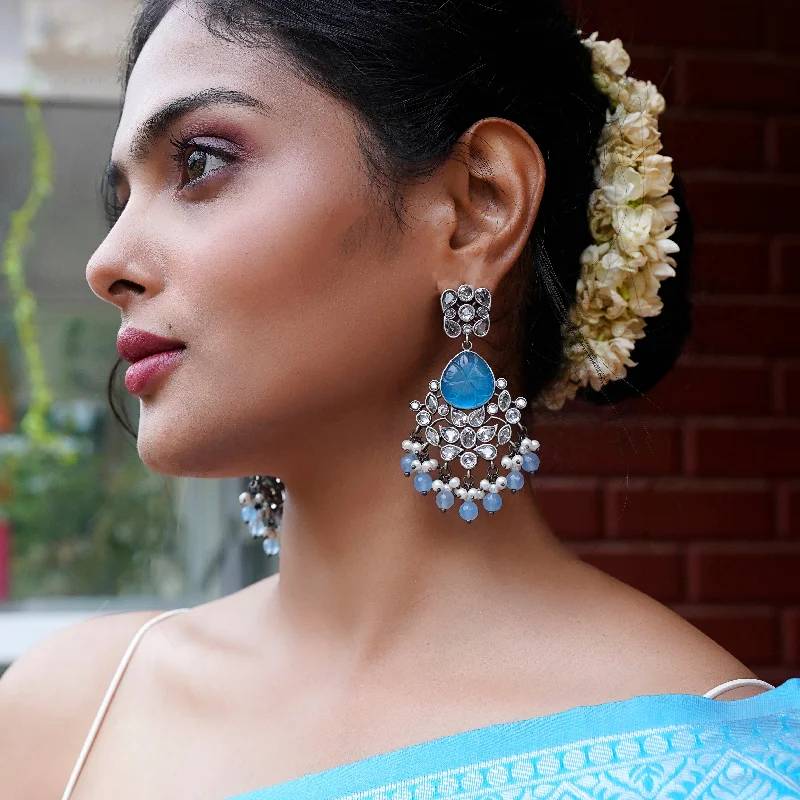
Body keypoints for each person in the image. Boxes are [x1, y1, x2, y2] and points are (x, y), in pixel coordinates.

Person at [1, 1, 798, 798]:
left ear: (477, 207)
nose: (105, 263)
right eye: (122, 198)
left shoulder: (717, 769)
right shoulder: (66, 714)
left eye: (200, 163)